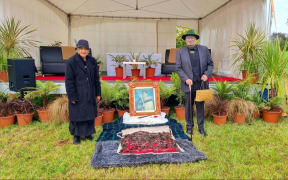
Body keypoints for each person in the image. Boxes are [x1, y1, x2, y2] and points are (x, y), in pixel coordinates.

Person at [176, 29, 213, 137]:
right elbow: (178, 68)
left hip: (201, 84)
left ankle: (201, 128)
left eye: (192, 38)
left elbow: (210, 64)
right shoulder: (181, 52)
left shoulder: (204, 50)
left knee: (200, 106)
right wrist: (185, 79)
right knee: (188, 106)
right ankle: (189, 127)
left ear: (195, 39)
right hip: (189, 84)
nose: (190, 40)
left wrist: (206, 74)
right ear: (185, 40)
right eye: (188, 38)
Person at [65, 39, 101, 144]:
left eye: (85, 49)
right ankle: (76, 135)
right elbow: (69, 81)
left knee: (89, 114)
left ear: (88, 50)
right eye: (81, 49)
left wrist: (98, 93)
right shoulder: (71, 62)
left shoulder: (92, 61)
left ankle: (88, 133)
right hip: (78, 93)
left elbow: (96, 79)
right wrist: (72, 96)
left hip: (90, 93)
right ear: (77, 49)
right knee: (78, 114)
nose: (83, 51)